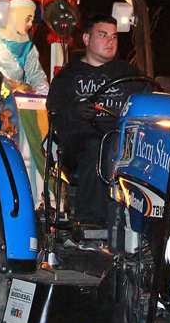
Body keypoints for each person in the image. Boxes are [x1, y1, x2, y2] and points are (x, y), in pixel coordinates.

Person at [46, 14, 146, 227]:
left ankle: (149, 221)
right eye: (103, 35)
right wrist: (75, 111)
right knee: (98, 146)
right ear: (86, 39)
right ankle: (92, 223)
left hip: (123, 138)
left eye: (114, 36)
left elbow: (151, 97)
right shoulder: (67, 78)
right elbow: (55, 115)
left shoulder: (132, 75)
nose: (110, 41)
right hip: (81, 141)